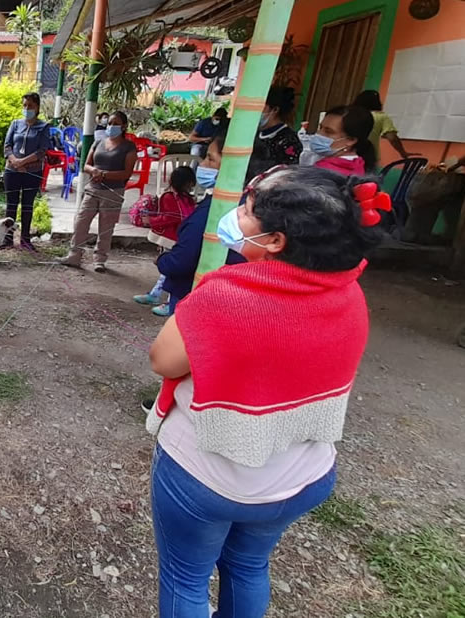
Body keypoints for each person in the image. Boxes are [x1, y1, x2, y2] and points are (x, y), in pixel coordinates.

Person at [145, 166, 384, 618]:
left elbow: (163, 360)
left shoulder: (227, 295)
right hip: (300, 477)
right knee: (248, 565)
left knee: (186, 579)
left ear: (275, 240)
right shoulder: (349, 293)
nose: (236, 214)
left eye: (247, 210)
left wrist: (195, 305)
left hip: (211, 479)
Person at [150, 136, 244, 317]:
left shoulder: (217, 208)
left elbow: (184, 259)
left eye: (210, 158)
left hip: (197, 294)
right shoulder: (231, 202)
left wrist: (164, 261)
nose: (203, 164)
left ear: (231, 166)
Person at [60, 111, 138, 271]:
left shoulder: (129, 147)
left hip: (112, 192)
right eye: (110, 123)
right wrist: (94, 171)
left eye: (116, 124)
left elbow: (127, 173)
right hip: (92, 189)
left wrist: (104, 174)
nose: (111, 126)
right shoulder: (98, 142)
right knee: (81, 222)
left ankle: (100, 260)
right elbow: (86, 165)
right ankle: (74, 255)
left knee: (106, 227)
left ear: (124, 126)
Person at [133, 165, 197, 317]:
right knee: (169, 271)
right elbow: (174, 216)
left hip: (174, 238)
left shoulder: (173, 197)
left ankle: (168, 302)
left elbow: (169, 217)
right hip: (179, 238)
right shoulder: (185, 199)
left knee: (171, 271)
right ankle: (156, 295)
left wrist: (151, 220)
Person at [1, 92, 50, 251]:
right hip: (12, 170)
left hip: (32, 172)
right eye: (24, 105)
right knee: (11, 204)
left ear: (37, 107)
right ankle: (8, 238)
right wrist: (15, 161)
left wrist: (23, 162)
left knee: (27, 205)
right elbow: (7, 146)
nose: (27, 109)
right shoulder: (15, 124)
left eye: (30, 106)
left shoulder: (43, 127)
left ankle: (25, 239)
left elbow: (42, 151)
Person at [246, 86, 302, 182]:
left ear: (275, 110)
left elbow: (286, 176)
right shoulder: (253, 133)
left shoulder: (289, 140)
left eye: (260, 107)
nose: (254, 111)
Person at [352, 89, 415, 164]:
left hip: (347, 152)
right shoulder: (381, 117)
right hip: (368, 156)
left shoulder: (349, 114)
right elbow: (392, 138)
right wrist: (403, 152)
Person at [311, 105, 377, 176]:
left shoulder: (326, 172)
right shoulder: (358, 165)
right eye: (320, 128)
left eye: (328, 131)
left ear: (351, 140)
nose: (318, 133)